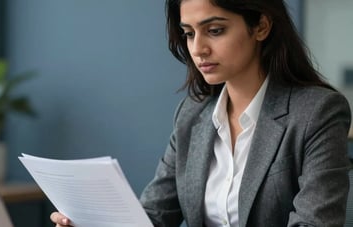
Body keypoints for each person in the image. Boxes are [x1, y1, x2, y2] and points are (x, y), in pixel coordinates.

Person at [51, 0, 352, 226]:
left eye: (215, 30)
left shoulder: (318, 112)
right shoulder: (192, 115)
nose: (198, 48)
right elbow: (155, 216)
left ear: (261, 26)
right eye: (189, 33)